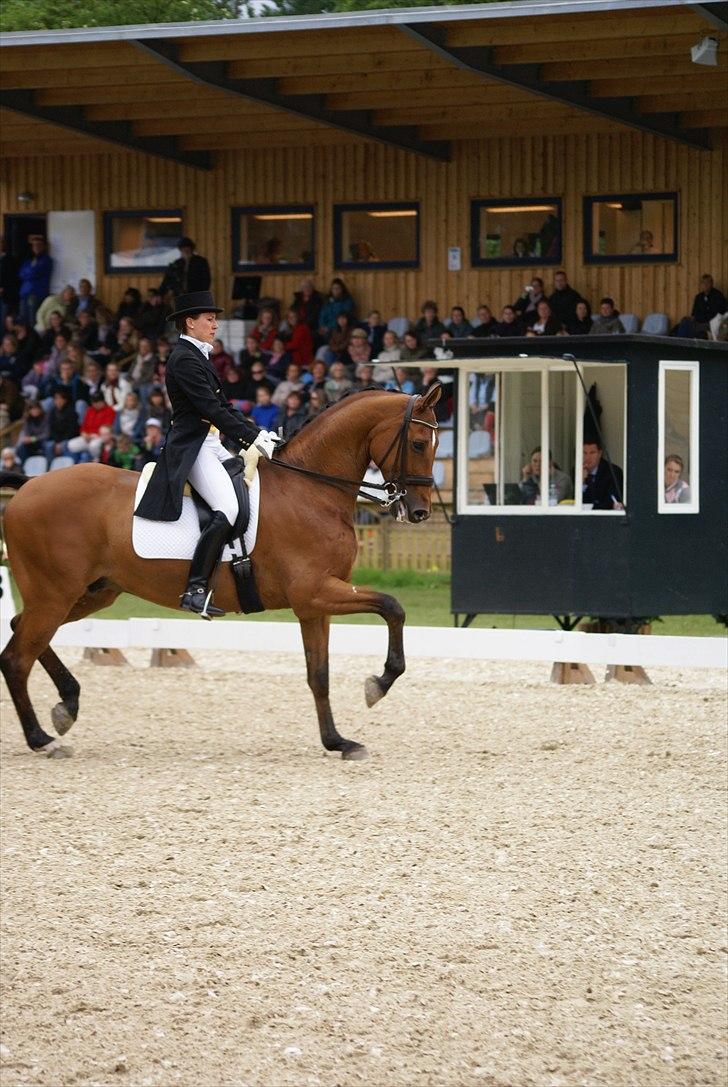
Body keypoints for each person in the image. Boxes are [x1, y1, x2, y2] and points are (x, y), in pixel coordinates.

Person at [135, 290, 280, 618]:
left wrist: (256, 434)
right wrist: (252, 438)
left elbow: (223, 407)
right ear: (191, 322)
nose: (216, 324)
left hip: (211, 441)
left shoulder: (198, 355)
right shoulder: (184, 358)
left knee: (247, 493)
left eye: (215, 319)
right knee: (227, 507)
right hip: (193, 445)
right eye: (210, 319)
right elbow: (210, 408)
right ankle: (196, 589)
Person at [18, 236, 53, 327]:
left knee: (32, 322)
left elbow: (35, 273)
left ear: (43, 247)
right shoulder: (29, 261)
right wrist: (30, 272)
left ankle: (33, 340)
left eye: (38, 245)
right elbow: (21, 274)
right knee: (23, 321)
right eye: (34, 245)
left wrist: (28, 272)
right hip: (25, 294)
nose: (36, 247)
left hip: (35, 294)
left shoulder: (46, 260)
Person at [582, 440, 624, 510]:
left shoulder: (613, 472)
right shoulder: (578, 471)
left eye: (592, 453)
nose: (588, 457)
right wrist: (582, 482)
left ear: (599, 454)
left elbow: (611, 502)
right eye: (584, 453)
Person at [43, 388, 79, 461]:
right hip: (55, 439)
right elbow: (51, 429)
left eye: (60, 399)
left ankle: (66, 467)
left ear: (65, 400)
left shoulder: (71, 412)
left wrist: (60, 443)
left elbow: (72, 430)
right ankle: (50, 468)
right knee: (48, 445)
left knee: (63, 445)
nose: (58, 401)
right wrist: (56, 442)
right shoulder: (52, 412)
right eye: (56, 399)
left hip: (68, 438)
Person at [15, 401, 50, 466]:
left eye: (36, 408)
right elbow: (26, 433)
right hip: (32, 443)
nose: (34, 411)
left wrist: (33, 439)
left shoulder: (46, 417)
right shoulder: (27, 419)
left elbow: (46, 434)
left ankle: (49, 467)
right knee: (20, 447)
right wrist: (26, 439)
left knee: (48, 445)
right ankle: (23, 468)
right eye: (32, 409)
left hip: (43, 441)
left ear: (40, 409)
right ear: (29, 411)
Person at [0, 238, 19, 327]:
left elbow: (11, 278)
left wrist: (3, 288)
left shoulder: (9, 259)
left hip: (5, 296)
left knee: (3, 321)